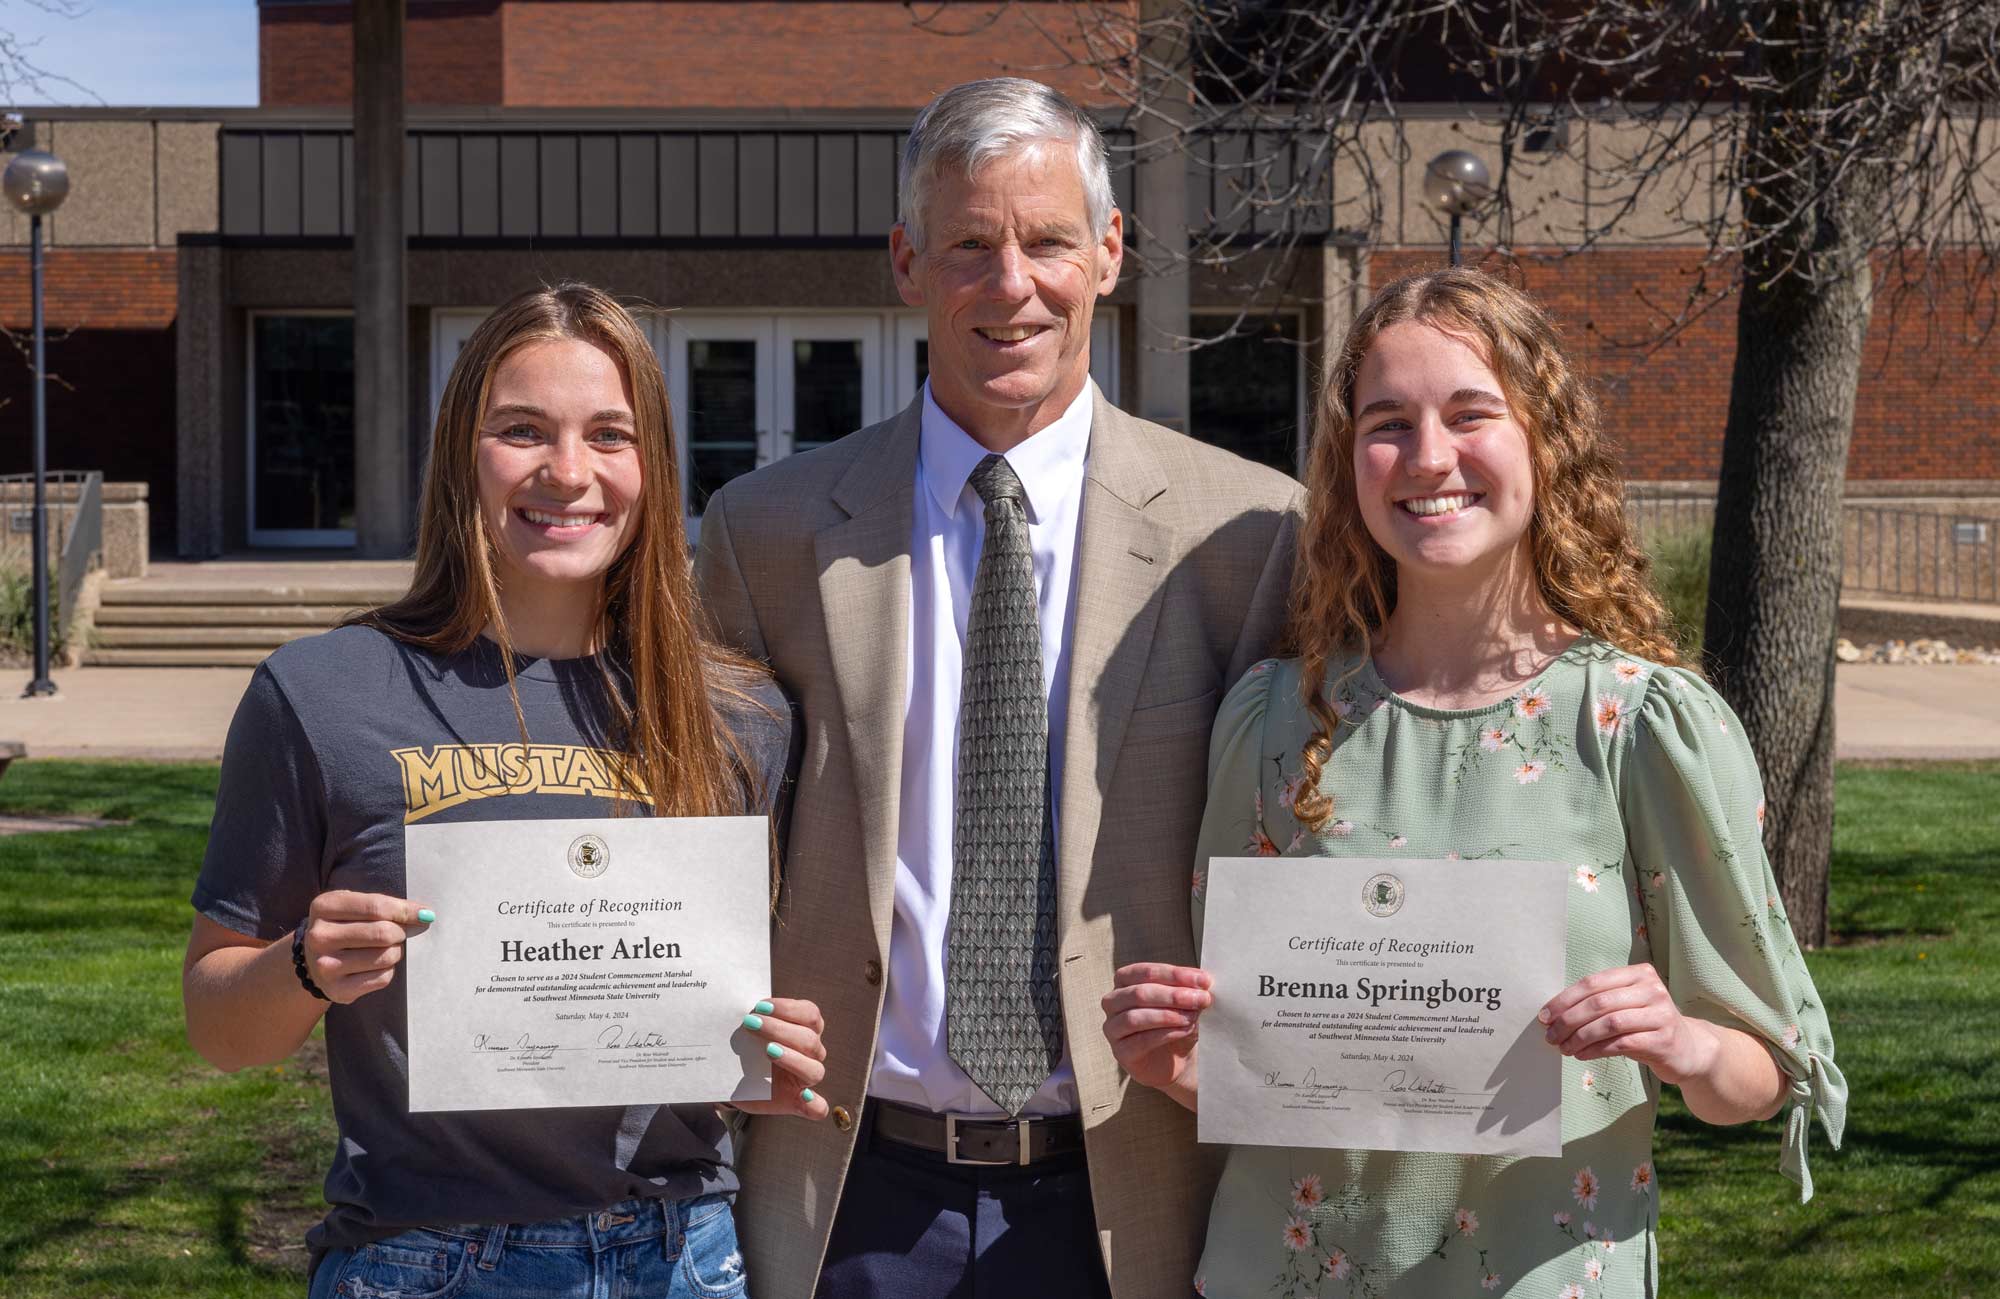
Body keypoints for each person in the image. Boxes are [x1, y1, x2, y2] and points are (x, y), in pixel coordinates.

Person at [1102, 268, 1847, 1298]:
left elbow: (1757, 1077)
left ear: (1541, 441)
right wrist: (1179, 1065)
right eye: (1386, 423)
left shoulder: (1639, 724)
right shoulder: (1271, 718)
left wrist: (1676, 1041)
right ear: (1345, 461)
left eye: (1468, 414)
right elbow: (1254, 1071)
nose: (1427, 458)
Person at [693, 78, 1302, 1299]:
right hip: (852, 1186)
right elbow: (706, 832)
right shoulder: (766, 532)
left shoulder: (1246, 534)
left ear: (1110, 253)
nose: (1009, 282)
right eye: (969, 244)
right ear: (907, 259)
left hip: (1134, 1189)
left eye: (1046, 242)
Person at [182, 282, 829, 1299]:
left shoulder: (740, 719)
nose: (567, 473)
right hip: (424, 1259)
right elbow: (220, 1031)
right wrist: (304, 965)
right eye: (522, 431)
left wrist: (772, 1045)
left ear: (653, 469)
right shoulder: (322, 695)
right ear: (462, 456)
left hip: (681, 1255)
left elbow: (763, 997)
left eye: (608, 436)